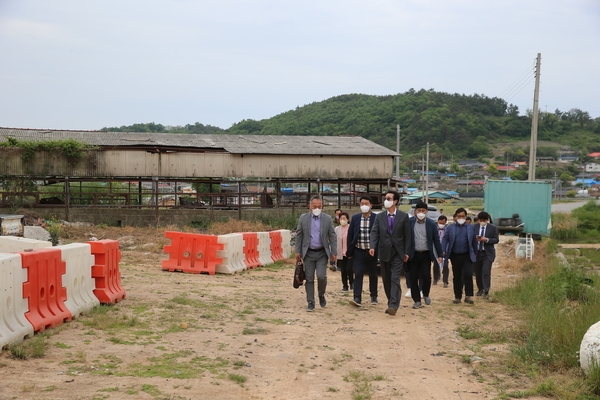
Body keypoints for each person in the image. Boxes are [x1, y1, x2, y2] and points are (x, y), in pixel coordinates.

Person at [369, 190, 411, 316]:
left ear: (395, 201)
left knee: (395, 278)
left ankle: (393, 305)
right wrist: (372, 246)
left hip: (398, 252)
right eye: (385, 198)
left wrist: (407, 252)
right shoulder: (379, 216)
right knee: (386, 279)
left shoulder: (403, 217)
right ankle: (390, 301)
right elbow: (374, 232)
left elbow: (408, 236)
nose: (386, 200)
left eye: (388, 198)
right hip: (384, 251)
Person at [295, 196, 337, 312]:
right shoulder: (303, 218)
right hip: (308, 253)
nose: (317, 208)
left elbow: (332, 236)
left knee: (321, 276)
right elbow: (299, 235)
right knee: (309, 279)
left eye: (319, 206)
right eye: (315, 206)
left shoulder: (327, 219)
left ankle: (321, 294)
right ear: (310, 206)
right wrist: (297, 251)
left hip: (322, 253)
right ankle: (310, 302)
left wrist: (334, 252)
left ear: (322, 206)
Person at [407, 201, 443, 309]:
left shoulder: (431, 224)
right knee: (413, 278)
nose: (421, 213)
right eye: (419, 211)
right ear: (415, 212)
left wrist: (440, 254)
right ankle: (417, 300)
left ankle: (426, 294)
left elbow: (436, 240)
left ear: (426, 212)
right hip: (413, 255)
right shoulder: (409, 222)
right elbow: (405, 238)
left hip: (426, 255)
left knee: (426, 276)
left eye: (423, 211)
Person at [441, 208, 478, 305]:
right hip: (455, 255)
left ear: (465, 217)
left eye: (463, 216)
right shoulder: (450, 228)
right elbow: (445, 239)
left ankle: (468, 296)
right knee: (457, 276)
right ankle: (457, 296)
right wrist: (443, 249)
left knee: (468, 274)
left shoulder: (470, 228)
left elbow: (474, 241)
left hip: (467, 255)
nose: (461, 218)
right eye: (459, 216)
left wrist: (475, 252)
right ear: (456, 217)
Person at [347, 196, 378, 307]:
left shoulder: (376, 218)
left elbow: (379, 234)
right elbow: (350, 235)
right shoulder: (355, 218)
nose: (364, 205)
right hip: (358, 250)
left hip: (371, 251)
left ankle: (374, 295)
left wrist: (376, 248)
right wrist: (349, 252)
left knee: (373, 274)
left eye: (366, 203)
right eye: (362, 203)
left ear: (371, 205)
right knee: (358, 273)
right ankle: (357, 297)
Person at [473, 211, 499, 300]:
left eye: (484, 220)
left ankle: (486, 290)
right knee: (478, 272)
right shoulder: (474, 227)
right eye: (481, 220)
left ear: (487, 220)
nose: (482, 221)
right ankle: (480, 289)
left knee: (485, 272)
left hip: (487, 253)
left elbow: (496, 240)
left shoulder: (493, 228)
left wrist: (487, 240)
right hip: (477, 253)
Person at [335, 212, 354, 292]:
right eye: (341, 219)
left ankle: (352, 283)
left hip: (349, 253)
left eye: (344, 219)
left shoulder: (351, 228)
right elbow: (334, 241)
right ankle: (345, 285)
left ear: (348, 220)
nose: (342, 220)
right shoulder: (336, 229)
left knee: (349, 269)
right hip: (340, 253)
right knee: (343, 270)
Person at [436, 215, 450, 288]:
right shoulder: (434, 228)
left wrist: (445, 250)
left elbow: (448, 241)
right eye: (440, 223)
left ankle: (445, 281)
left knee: (445, 266)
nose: (441, 224)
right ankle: (435, 279)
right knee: (436, 265)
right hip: (436, 250)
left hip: (445, 251)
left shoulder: (448, 229)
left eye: (443, 223)